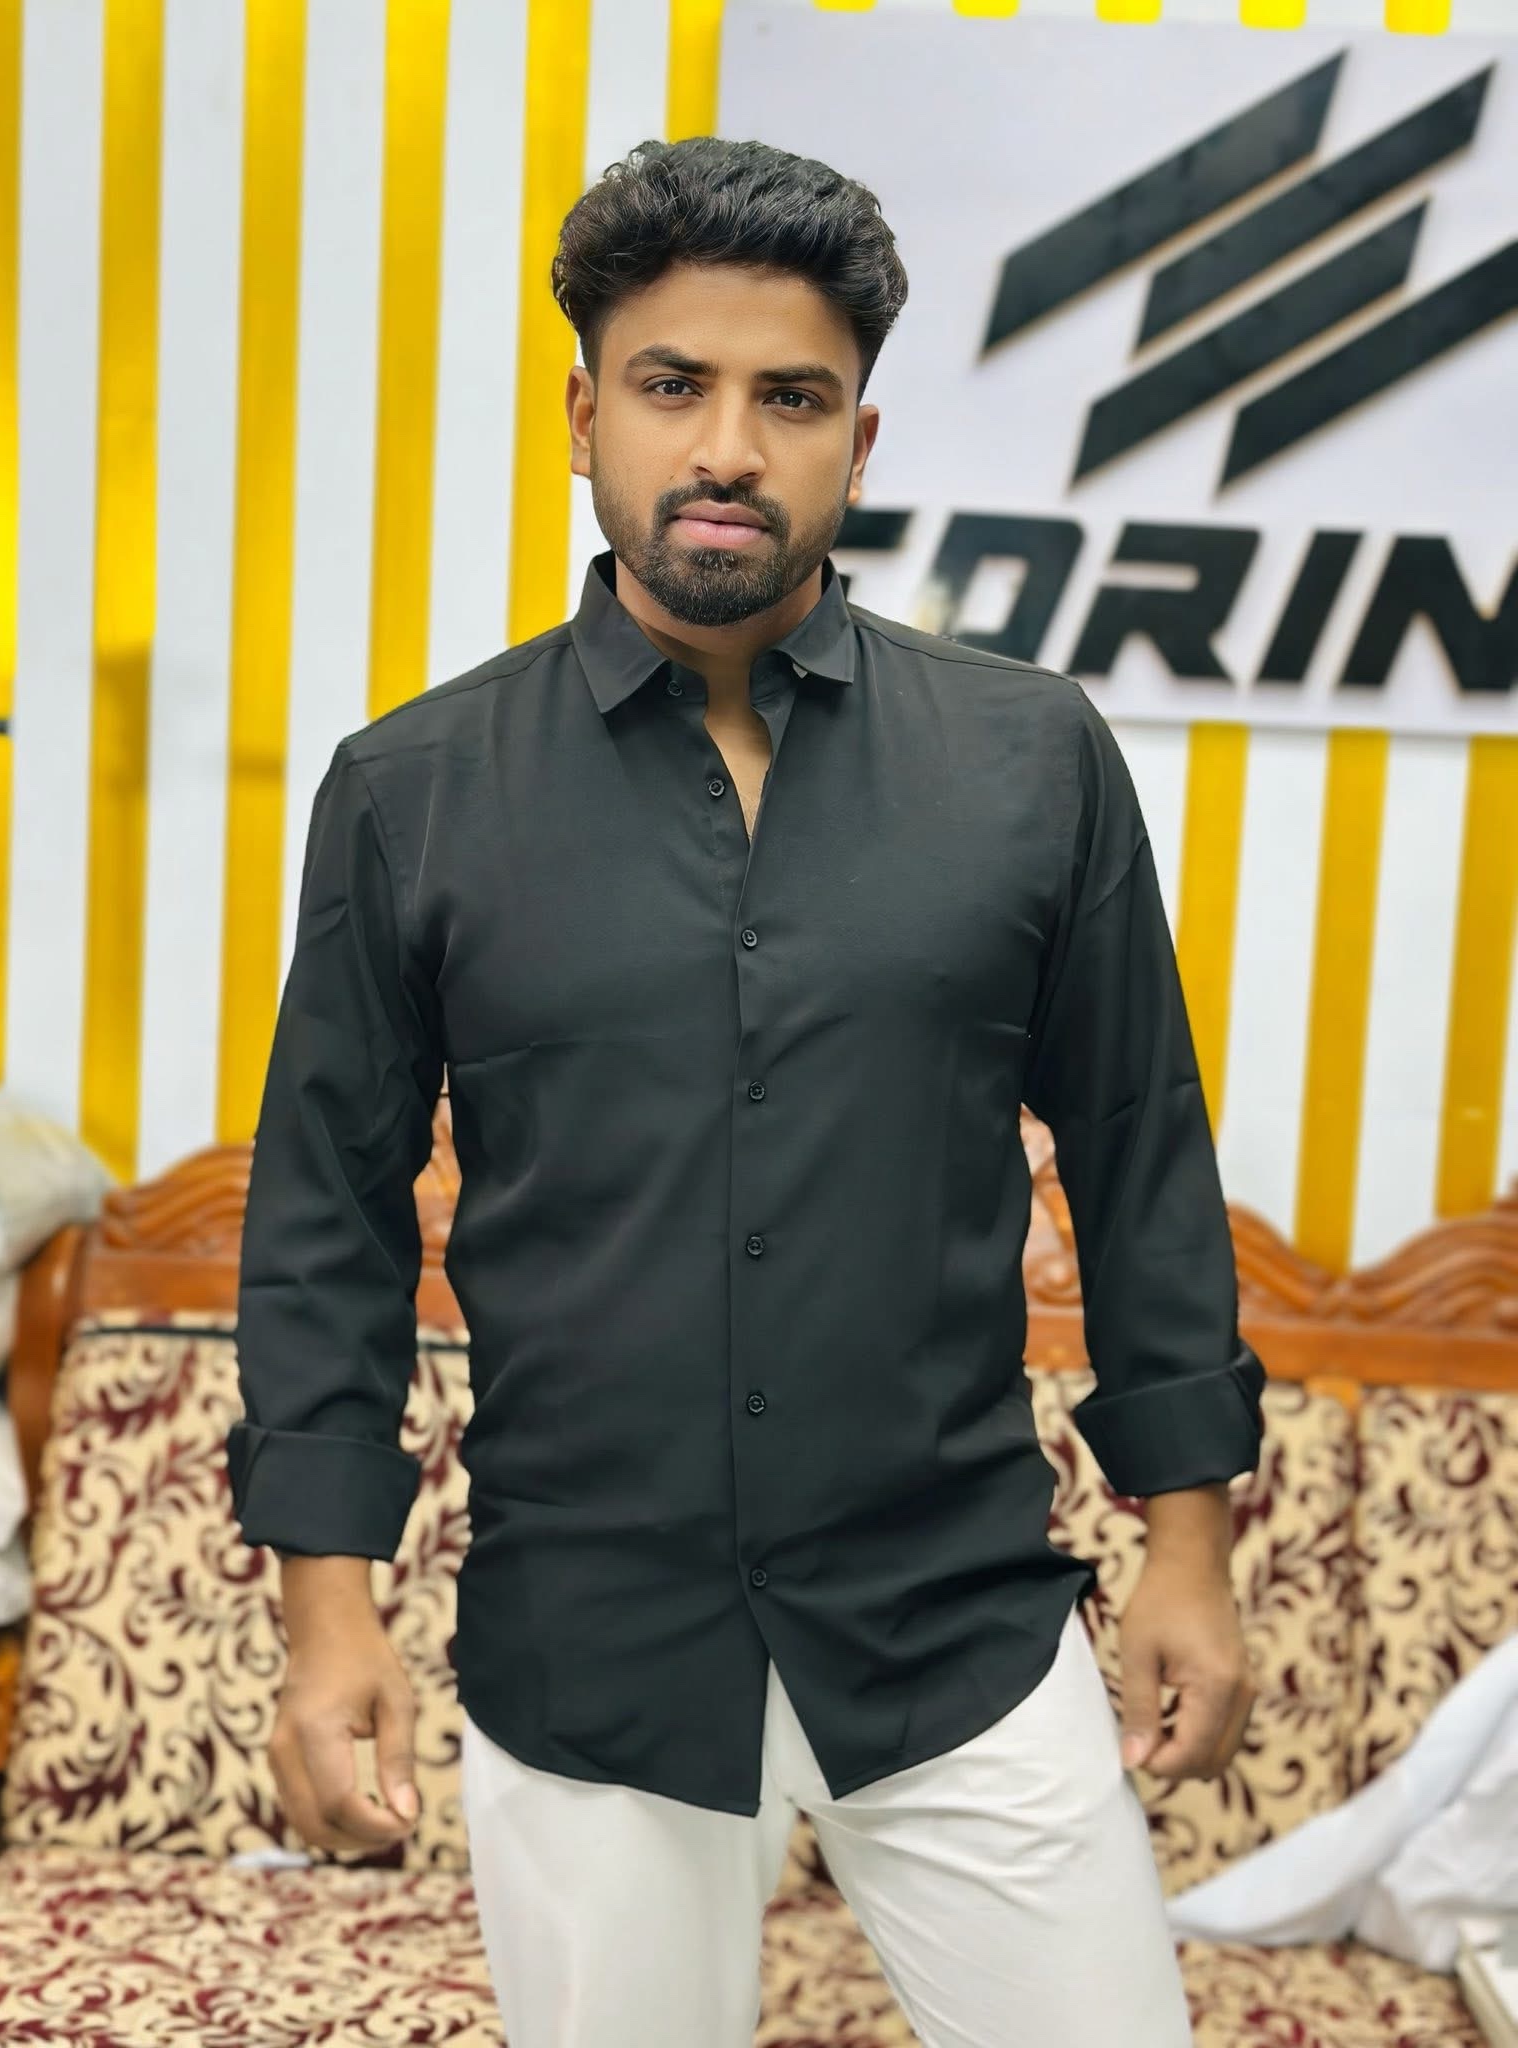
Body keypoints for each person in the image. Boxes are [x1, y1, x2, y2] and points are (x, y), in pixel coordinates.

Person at [227, 135, 1266, 2048]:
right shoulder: (413, 792)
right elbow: (325, 1226)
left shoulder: (1031, 762)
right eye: (671, 384)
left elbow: (1141, 1158)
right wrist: (327, 1607)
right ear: (584, 418)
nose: (726, 446)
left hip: (958, 1624)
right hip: (590, 1644)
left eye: (789, 399)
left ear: (855, 444)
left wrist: (1189, 1547)